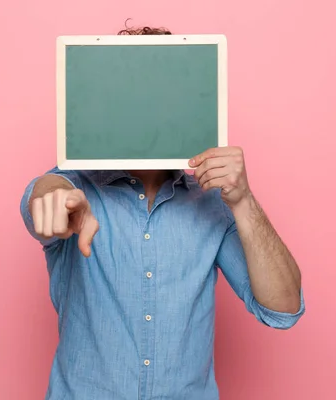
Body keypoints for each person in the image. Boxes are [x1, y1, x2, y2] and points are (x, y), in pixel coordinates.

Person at [20, 25, 305, 400]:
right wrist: (55, 197)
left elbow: (283, 309)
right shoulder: (74, 187)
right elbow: (46, 194)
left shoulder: (212, 205)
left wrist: (244, 201)